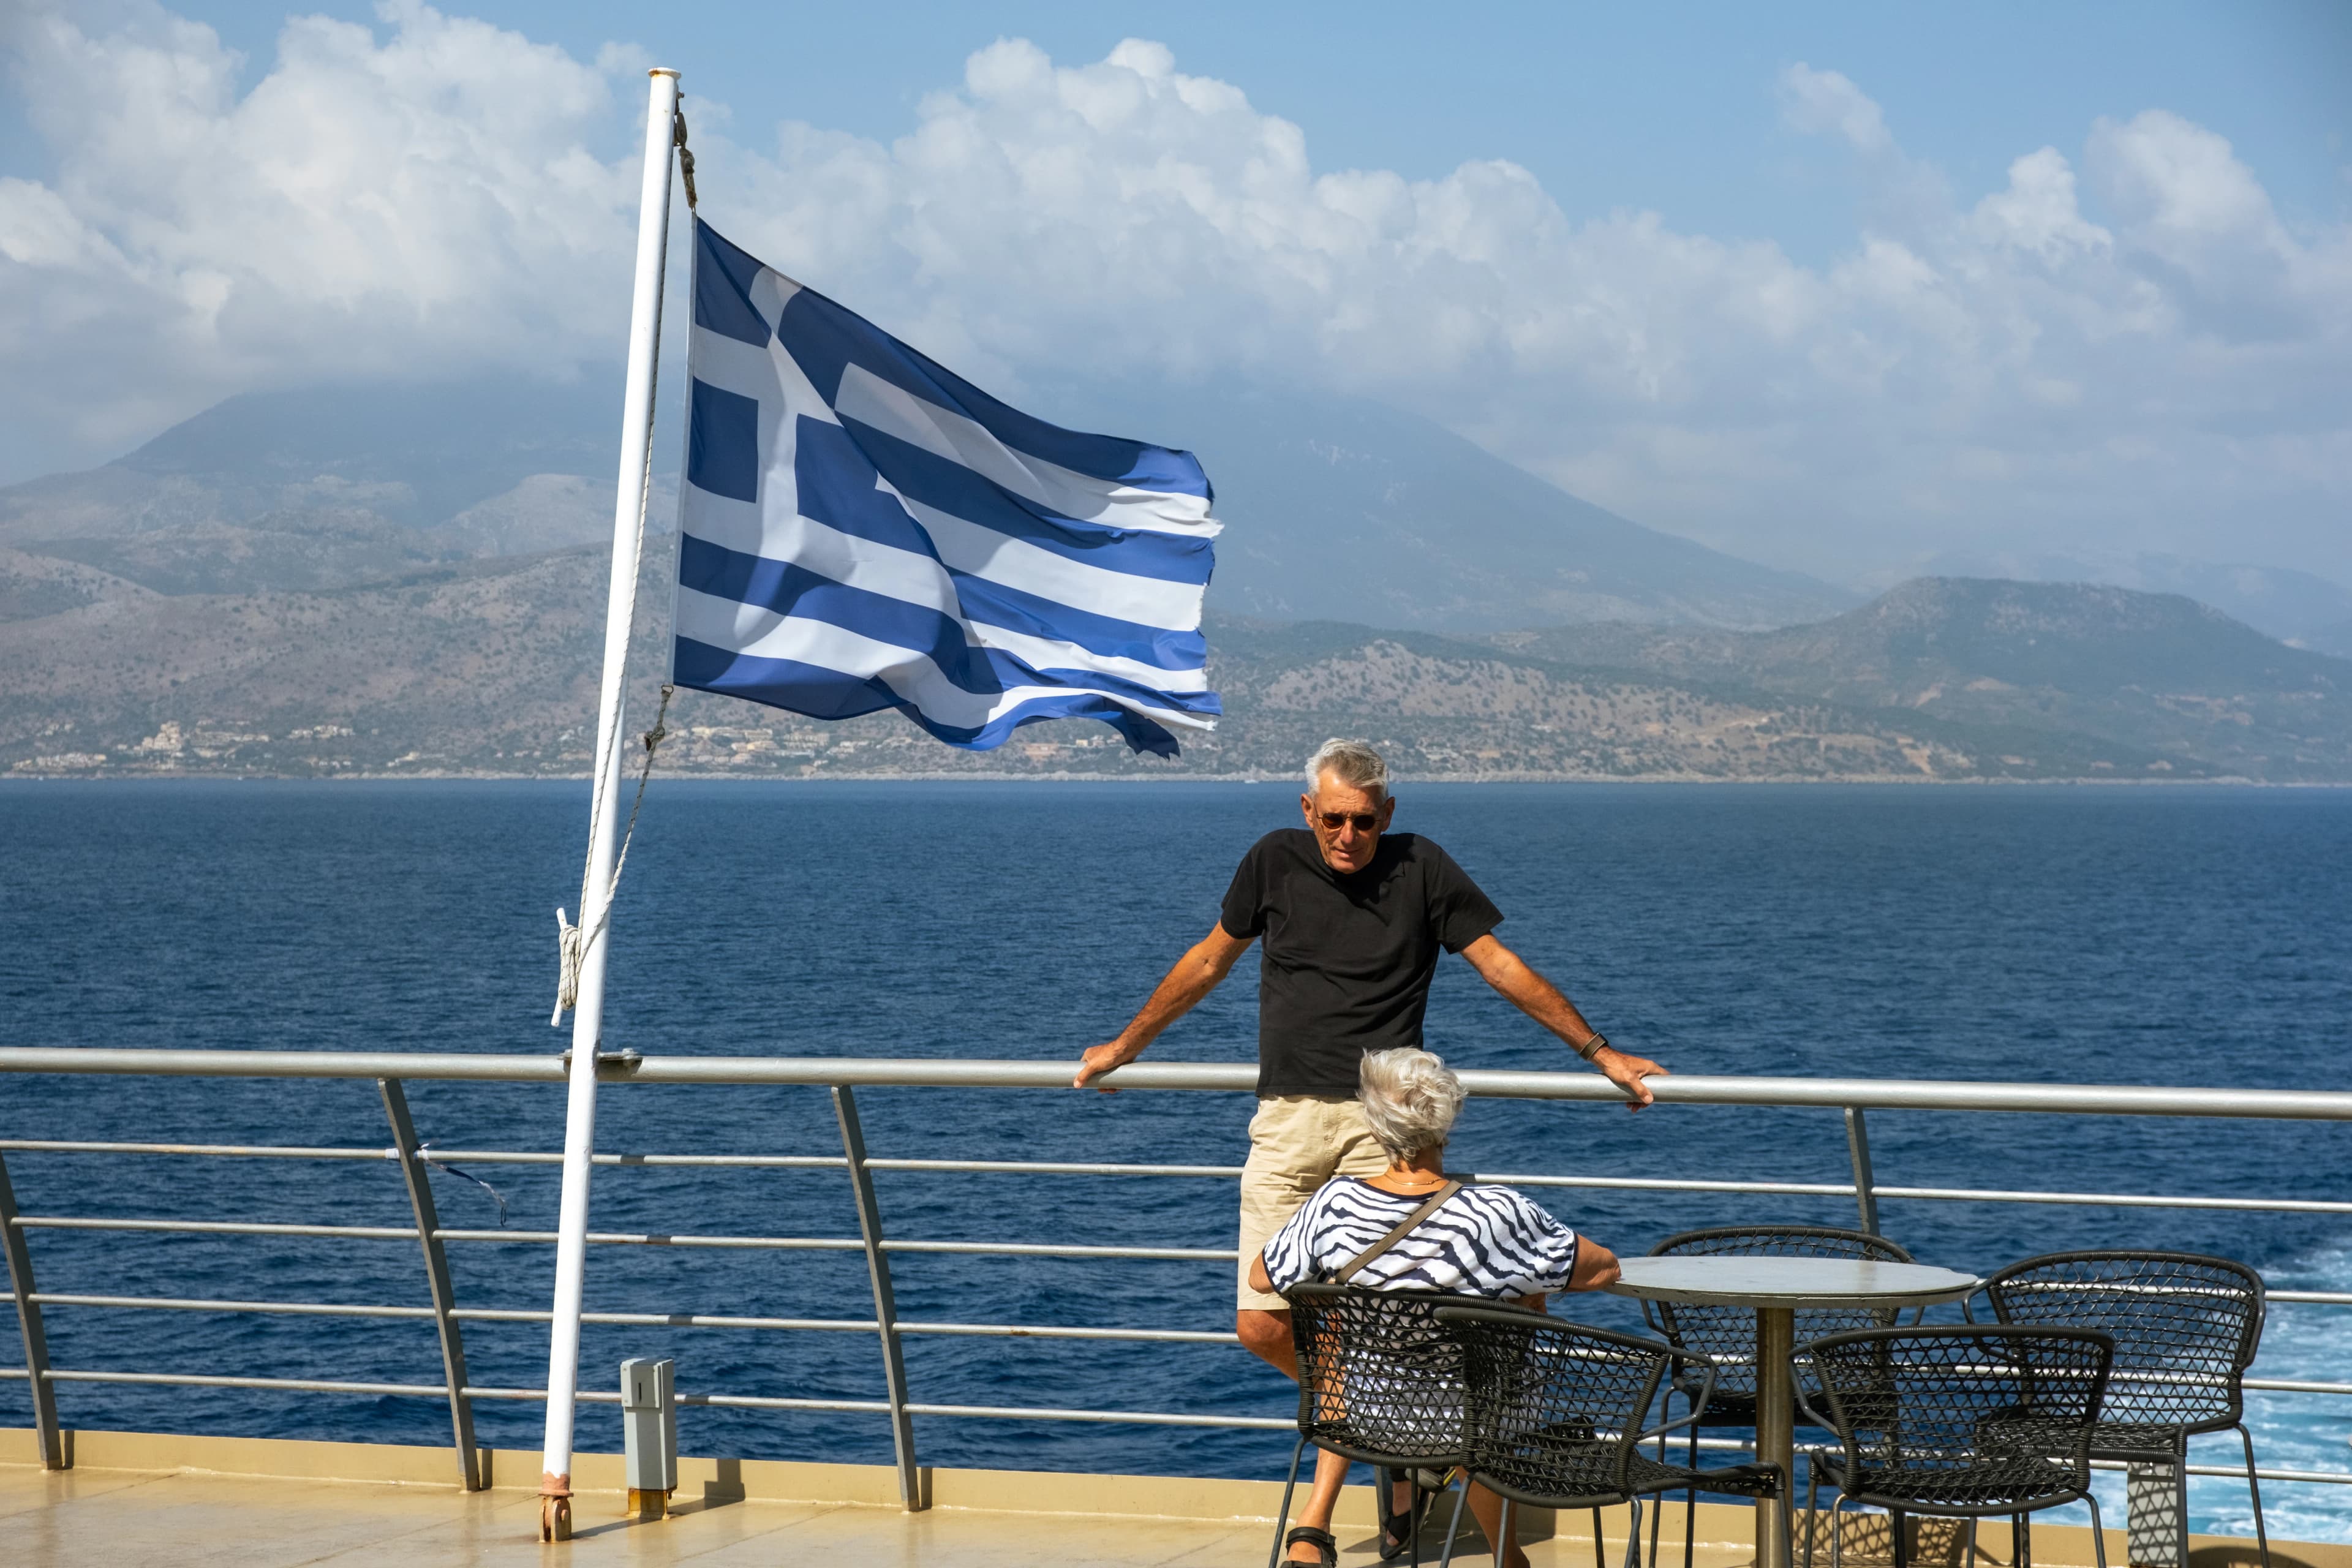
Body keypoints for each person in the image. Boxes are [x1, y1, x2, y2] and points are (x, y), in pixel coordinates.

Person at [1250, 1047, 1621, 1568]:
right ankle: (1508, 1557)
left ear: (1375, 1125)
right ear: (1447, 1122)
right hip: (1476, 1420)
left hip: (1366, 1416)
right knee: (1494, 1346)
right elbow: (1604, 1268)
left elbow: (1262, 1276)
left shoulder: (1333, 1206)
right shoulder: (1496, 1212)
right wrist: (1521, 1284)